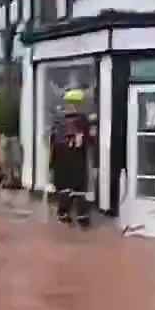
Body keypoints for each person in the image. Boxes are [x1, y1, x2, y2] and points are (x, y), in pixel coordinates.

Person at [50, 89, 94, 227]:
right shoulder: (83, 120)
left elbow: (53, 139)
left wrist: (52, 161)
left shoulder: (59, 119)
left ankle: (63, 213)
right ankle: (82, 216)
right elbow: (89, 139)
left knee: (65, 187)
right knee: (79, 187)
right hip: (76, 157)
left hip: (61, 159)